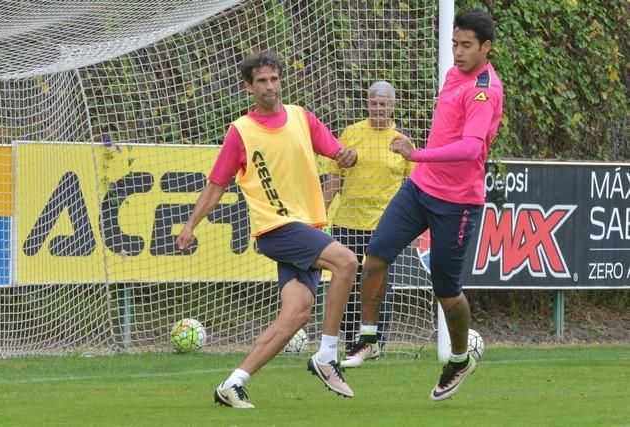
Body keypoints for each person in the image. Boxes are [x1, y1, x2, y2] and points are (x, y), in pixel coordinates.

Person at [176, 51, 359, 409]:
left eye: (274, 79)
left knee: (297, 312)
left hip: (305, 227)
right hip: (276, 228)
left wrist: (346, 155)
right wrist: (190, 224)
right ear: (249, 88)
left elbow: (336, 151)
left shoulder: (301, 117)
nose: (270, 86)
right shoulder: (240, 131)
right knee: (347, 262)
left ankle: (232, 384)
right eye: (261, 81)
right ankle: (327, 355)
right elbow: (216, 185)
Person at [348, 9, 503, 401]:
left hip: (457, 203)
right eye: (454, 44)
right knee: (376, 256)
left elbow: (470, 149)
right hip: (420, 190)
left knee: (447, 292)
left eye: (467, 45)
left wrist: (416, 155)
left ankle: (459, 356)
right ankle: (369, 338)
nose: (458, 52)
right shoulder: (454, 75)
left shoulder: (484, 90)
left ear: (486, 47)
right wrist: (421, 165)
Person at [321, 81, 415, 367]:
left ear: (392, 107)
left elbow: (413, 184)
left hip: (385, 225)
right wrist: (321, 214)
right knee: (346, 284)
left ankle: (375, 342)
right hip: (348, 221)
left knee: (378, 286)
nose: (378, 108)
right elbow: (334, 176)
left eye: (383, 104)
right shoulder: (351, 133)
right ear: (367, 104)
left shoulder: (402, 140)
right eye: (373, 103)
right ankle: (350, 341)